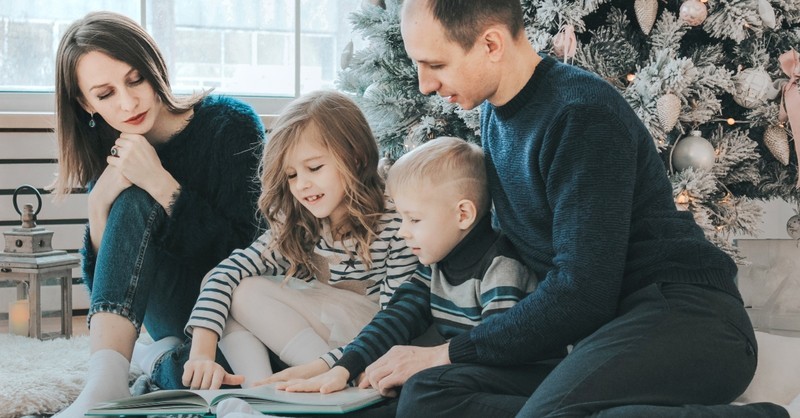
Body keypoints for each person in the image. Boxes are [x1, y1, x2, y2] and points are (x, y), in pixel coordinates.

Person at [325, 0, 788, 417]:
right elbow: (459, 264)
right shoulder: (496, 114)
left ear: (490, 44)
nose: (426, 85)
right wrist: (349, 363)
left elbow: (582, 292)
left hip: (685, 317)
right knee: (427, 394)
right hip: (596, 333)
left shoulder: (580, 115)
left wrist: (445, 352)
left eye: (436, 64)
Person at [52, 11, 265, 418]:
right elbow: (110, 292)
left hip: (238, 310)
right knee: (130, 200)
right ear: (85, 103)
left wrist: (163, 185)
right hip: (170, 312)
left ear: (155, 69)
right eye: (106, 93)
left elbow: (246, 254)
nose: (128, 102)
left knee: (221, 374)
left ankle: (155, 361)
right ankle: (106, 383)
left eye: (136, 80)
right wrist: (98, 204)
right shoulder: (112, 152)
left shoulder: (230, 124)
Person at [178, 89, 420, 391]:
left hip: (374, 344)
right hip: (319, 345)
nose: (302, 185)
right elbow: (224, 273)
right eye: (291, 175)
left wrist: (342, 364)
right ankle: (259, 392)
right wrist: (201, 353)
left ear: (356, 158)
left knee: (243, 293)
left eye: (314, 168)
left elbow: (396, 320)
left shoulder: (396, 221)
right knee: (230, 287)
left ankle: (326, 384)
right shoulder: (300, 220)